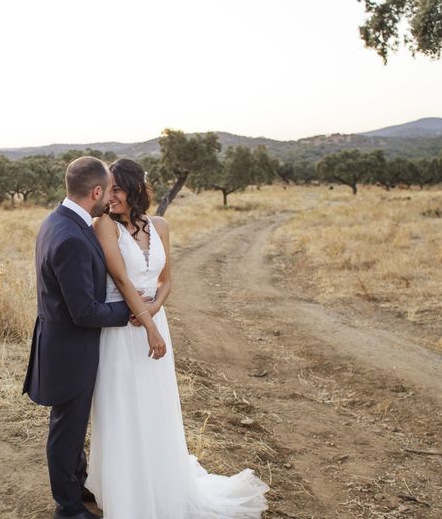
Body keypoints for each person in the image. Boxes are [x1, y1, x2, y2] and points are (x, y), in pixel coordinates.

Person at [86, 158, 270, 518]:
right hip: (122, 331)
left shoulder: (161, 225)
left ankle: (162, 485)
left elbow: (166, 279)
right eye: (107, 190)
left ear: (135, 188)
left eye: (117, 189)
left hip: (152, 321)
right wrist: (147, 322)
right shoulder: (103, 225)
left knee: (156, 406)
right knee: (122, 408)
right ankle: (127, 493)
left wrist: (155, 312)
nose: (110, 197)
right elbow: (122, 281)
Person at [22, 156, 155, 519]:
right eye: (107, 190)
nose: (110, 198)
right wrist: (129, 312)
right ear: (95, 191)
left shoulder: (59, 220)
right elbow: (84, 312)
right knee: (67, 433)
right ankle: (68, 508)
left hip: (66, 345)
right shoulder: (71, 237)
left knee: (73, 427)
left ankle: (76, 486)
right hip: (70, 351)